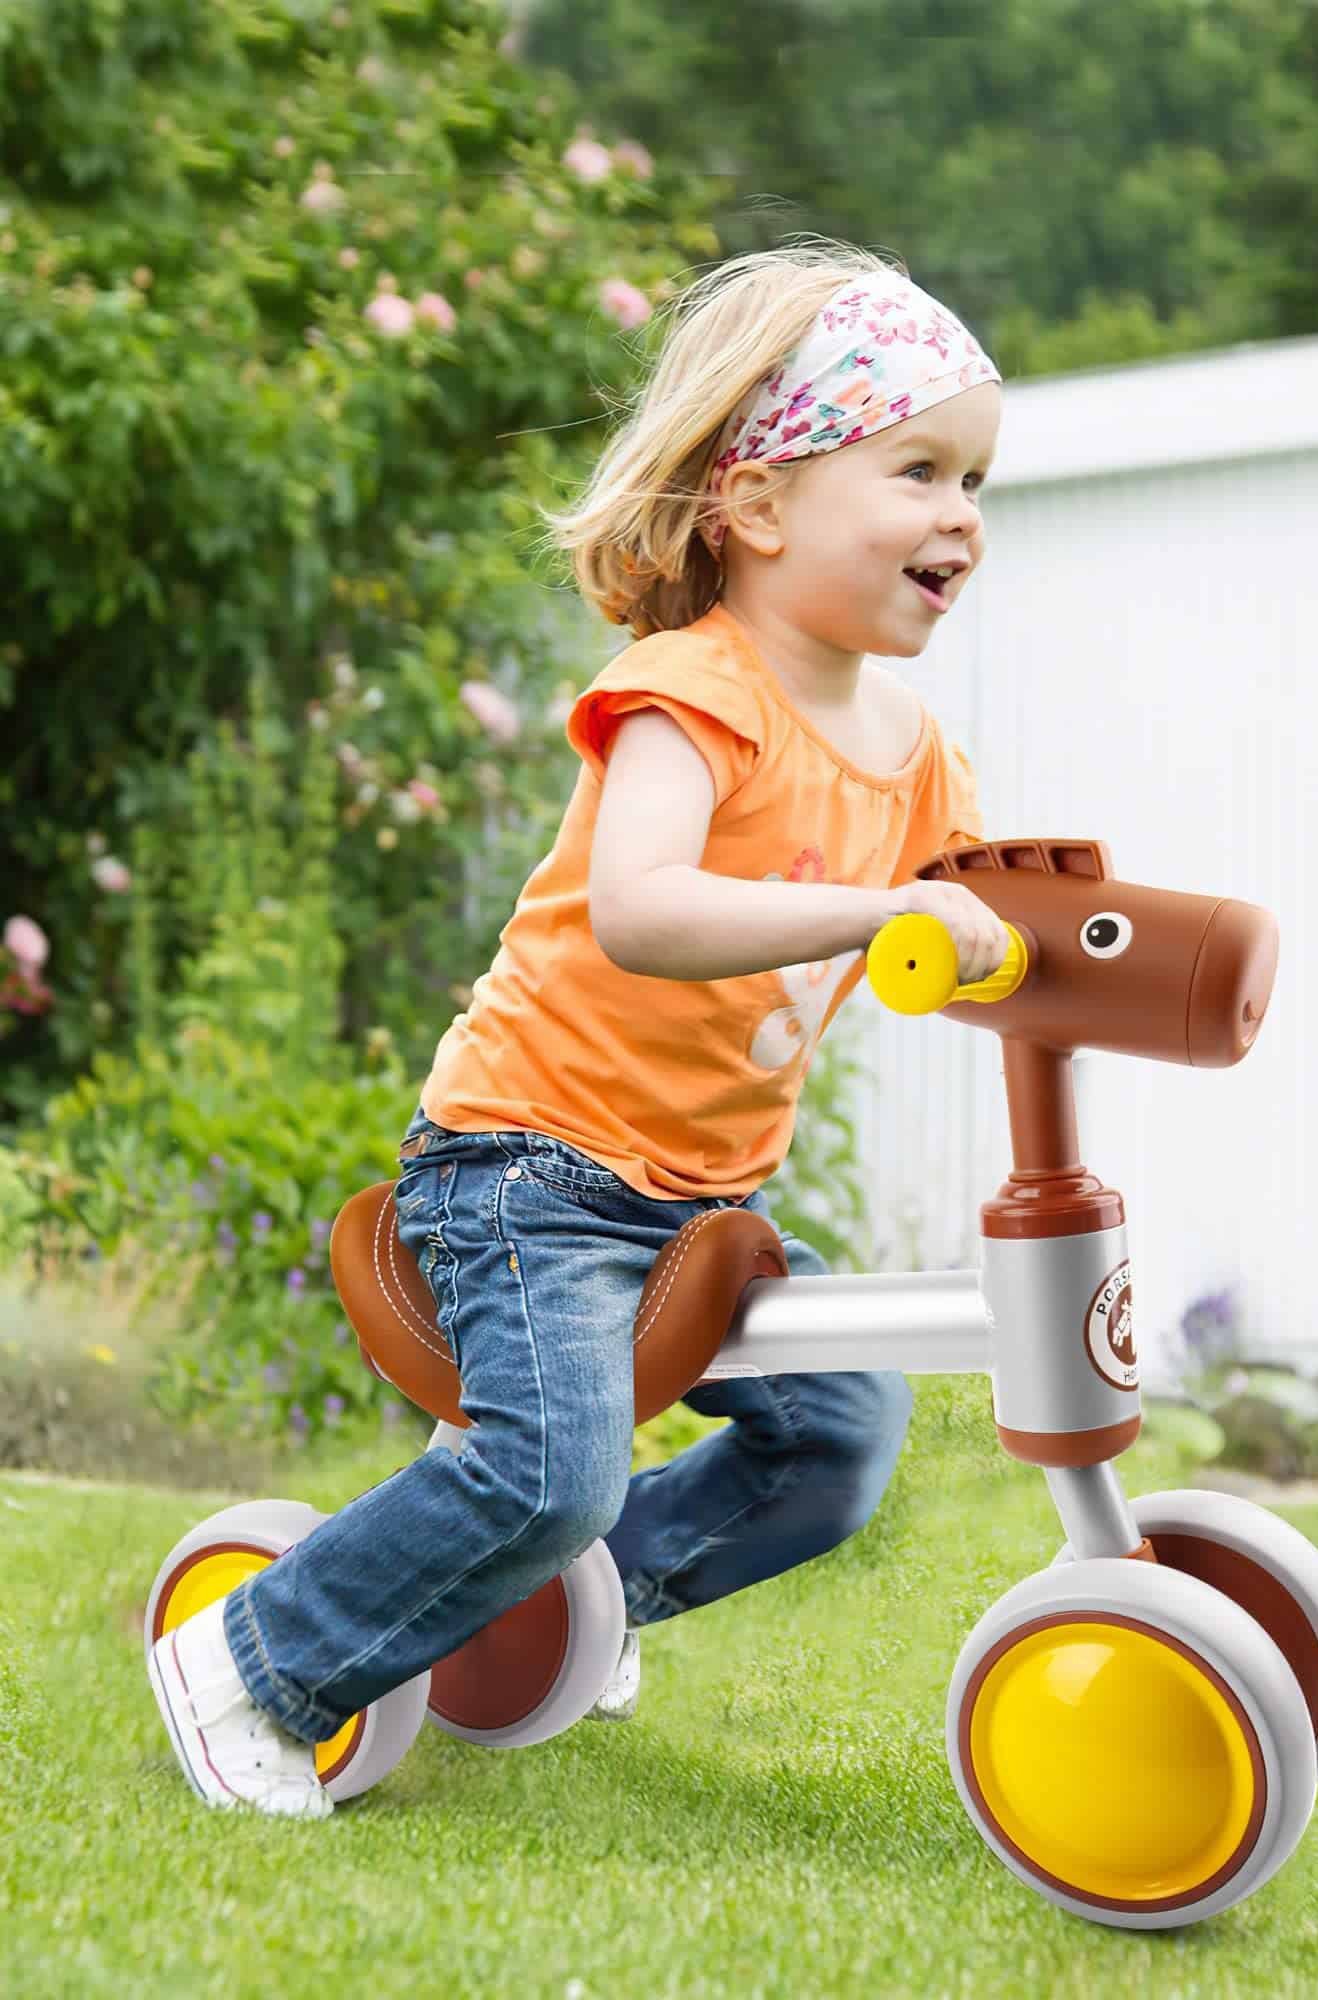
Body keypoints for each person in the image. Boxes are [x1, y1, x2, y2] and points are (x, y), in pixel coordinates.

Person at [147, 236, 1013, 1817]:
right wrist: (873, 920)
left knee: (837, 1441)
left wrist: (1071, 949)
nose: (963, 512)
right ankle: (252, 1660)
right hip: (525, 1166)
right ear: (757, 506)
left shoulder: (918, 753)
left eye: (976, 479)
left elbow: (980, 924)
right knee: (547, 1463)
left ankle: (580, 1597)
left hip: (701, 1193)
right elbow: (643, 909)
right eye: (919, 468)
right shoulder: (695, 685)